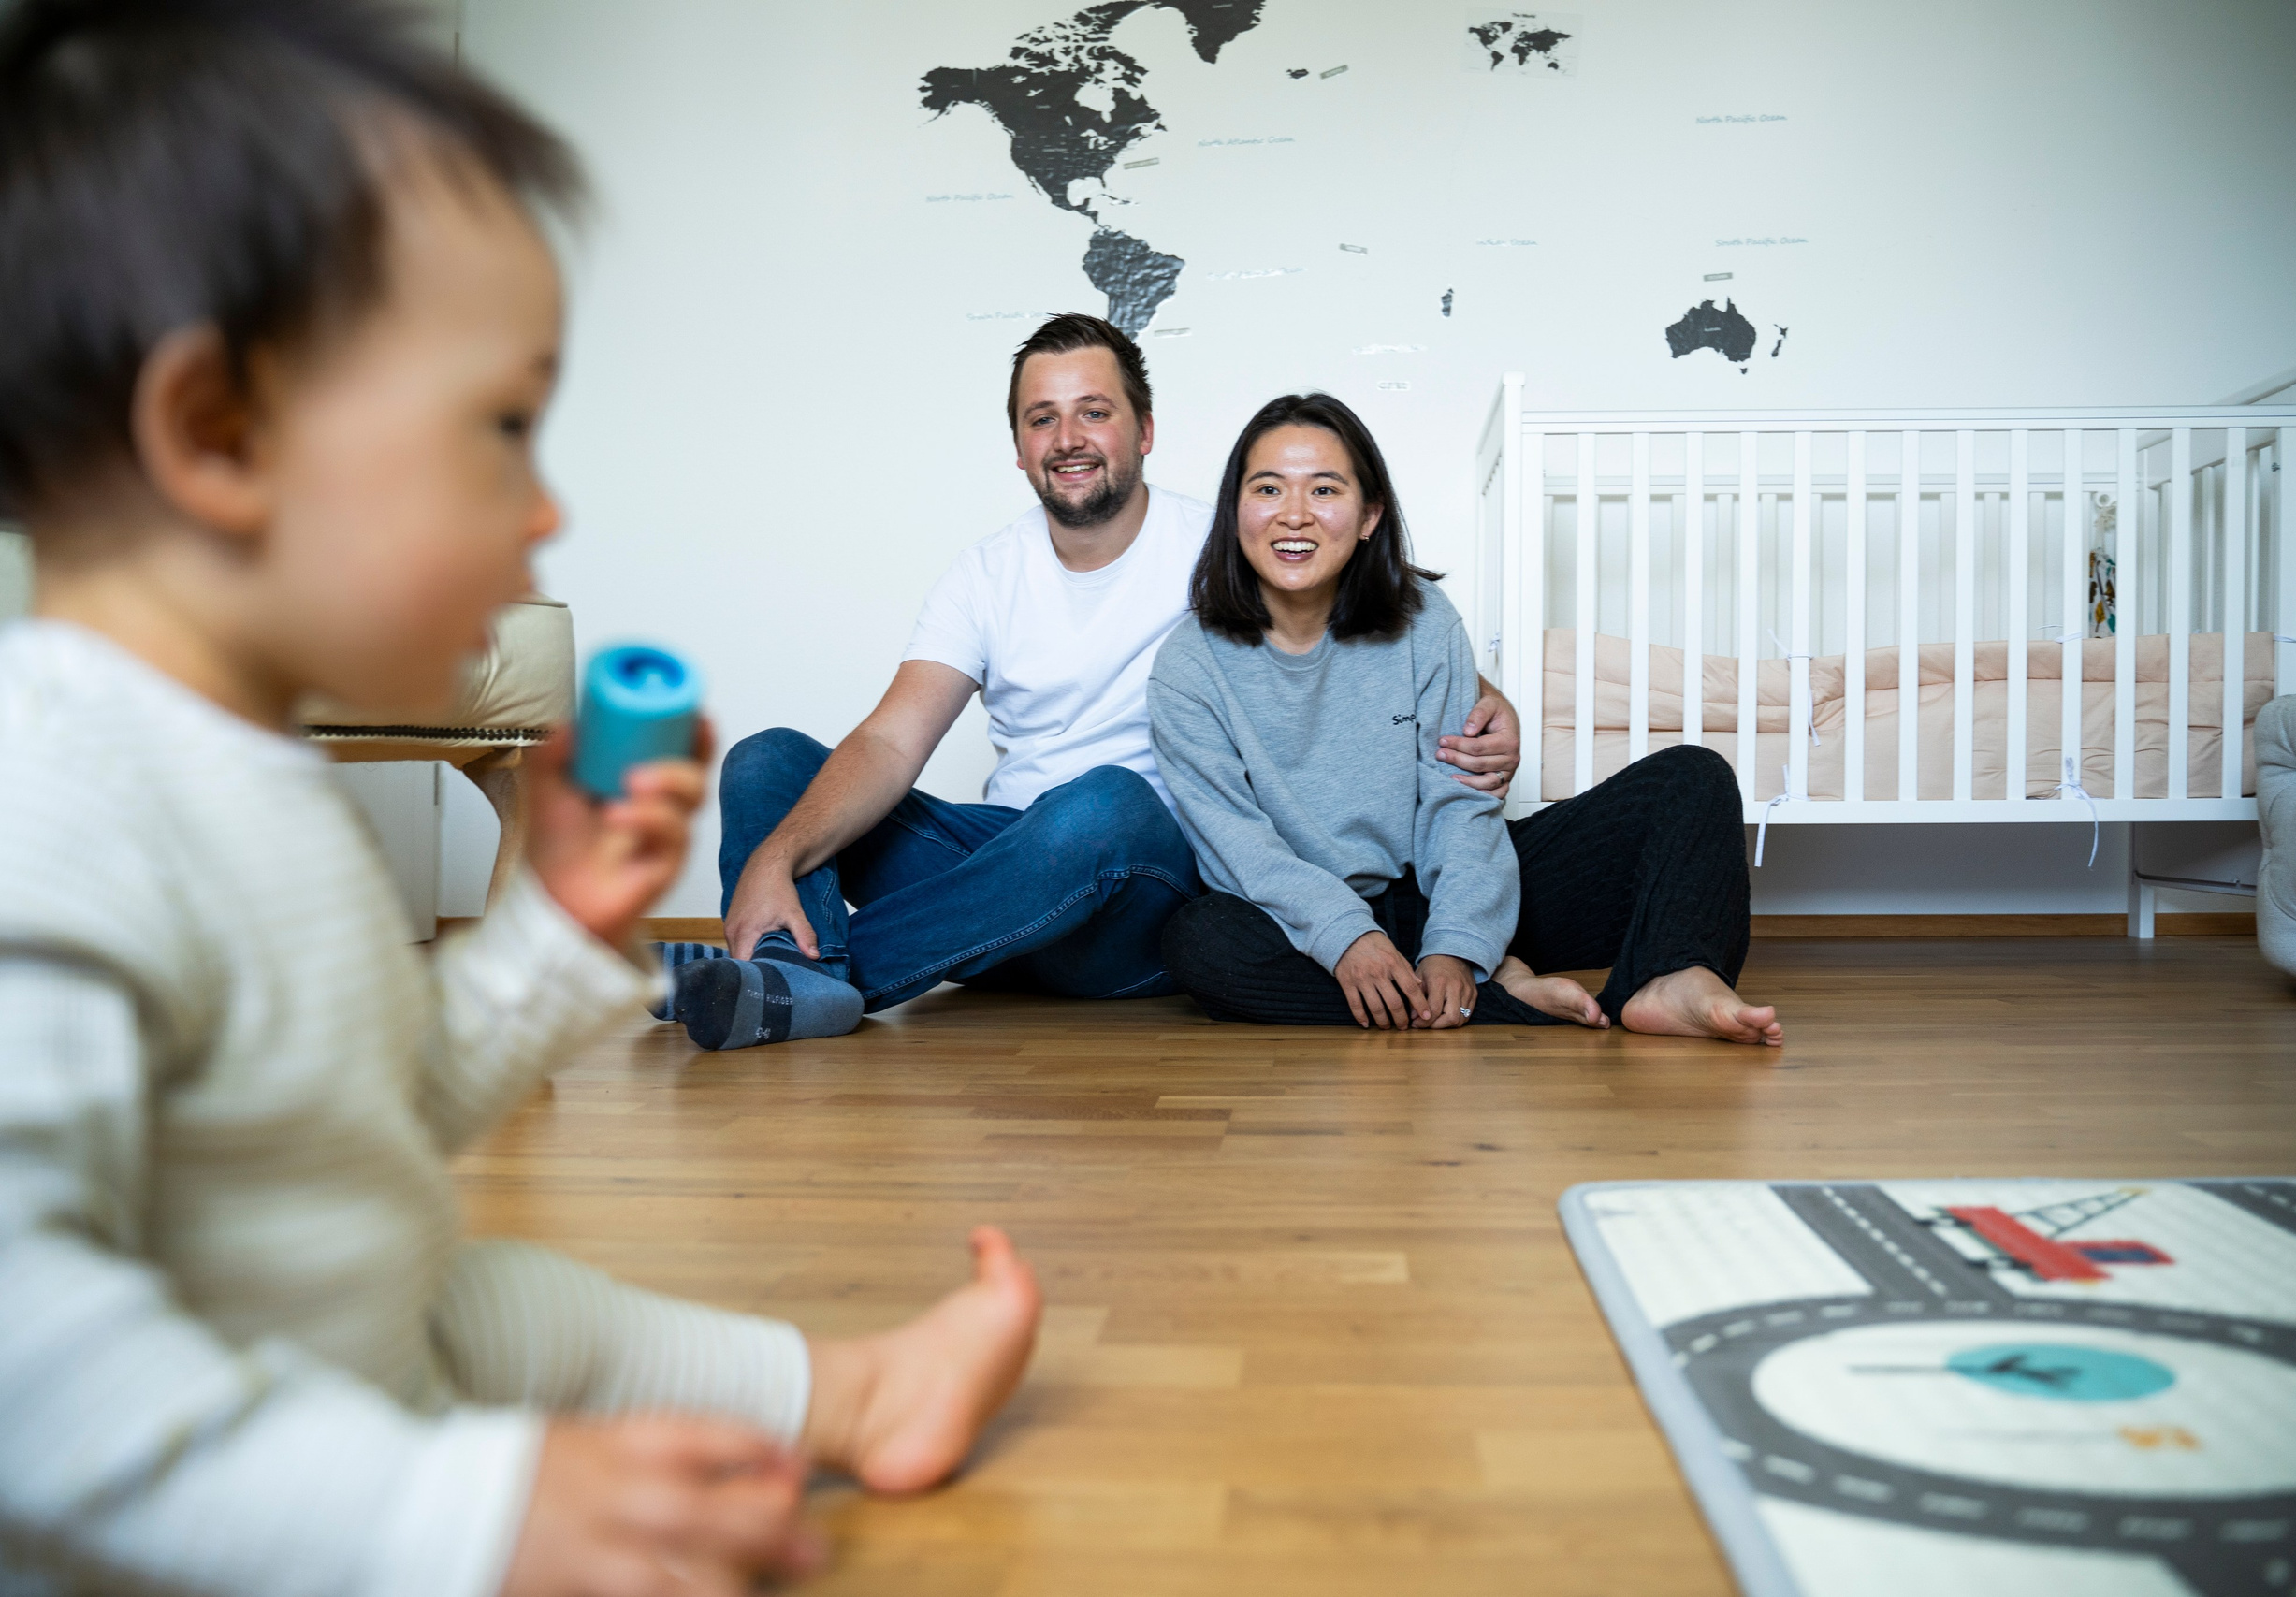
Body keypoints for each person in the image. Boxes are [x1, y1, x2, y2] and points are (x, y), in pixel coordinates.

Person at [0, 5, 1039, 1594]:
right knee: (464, 1315)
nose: (546, 502)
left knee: (505, 1296)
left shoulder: (263, 783)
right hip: (176, 1493)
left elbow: (367, 1116)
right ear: (218, 435)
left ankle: (855, 1391)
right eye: (499, 428)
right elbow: (33, 1374)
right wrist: (460, 1521)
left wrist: (552, 926)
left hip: (330, 1338)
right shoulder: (58, 805)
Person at [662, 314, 1527, 1049]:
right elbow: (891, 741)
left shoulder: (1221, 543)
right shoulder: (985, 575)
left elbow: (1370, 611)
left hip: (1144, 894)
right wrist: (775, 855)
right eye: (1043, 419)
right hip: (1006, 872)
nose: (1068, 438)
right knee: (766, 762)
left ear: (1143, 430)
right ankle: (783, 975)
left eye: (1094, 412)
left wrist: (1492, 699)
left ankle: (786, 977)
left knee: (1101, 803)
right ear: (1018, 447)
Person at [1150, 393, 1783, 1045]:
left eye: (1325, 490)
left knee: (1692, 778)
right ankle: (1499, 997)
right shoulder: (1189, 667)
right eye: (1268, 488)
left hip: (1446, 890)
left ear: (1369, 515)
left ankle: (1674, 975)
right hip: (1303, 921)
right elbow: (1243, 853)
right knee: (1199, 941)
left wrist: (1455, 942)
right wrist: (1349, 937)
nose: (1294, 514)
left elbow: (1461, 803)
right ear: (1236, 511)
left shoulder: (1423, 618)